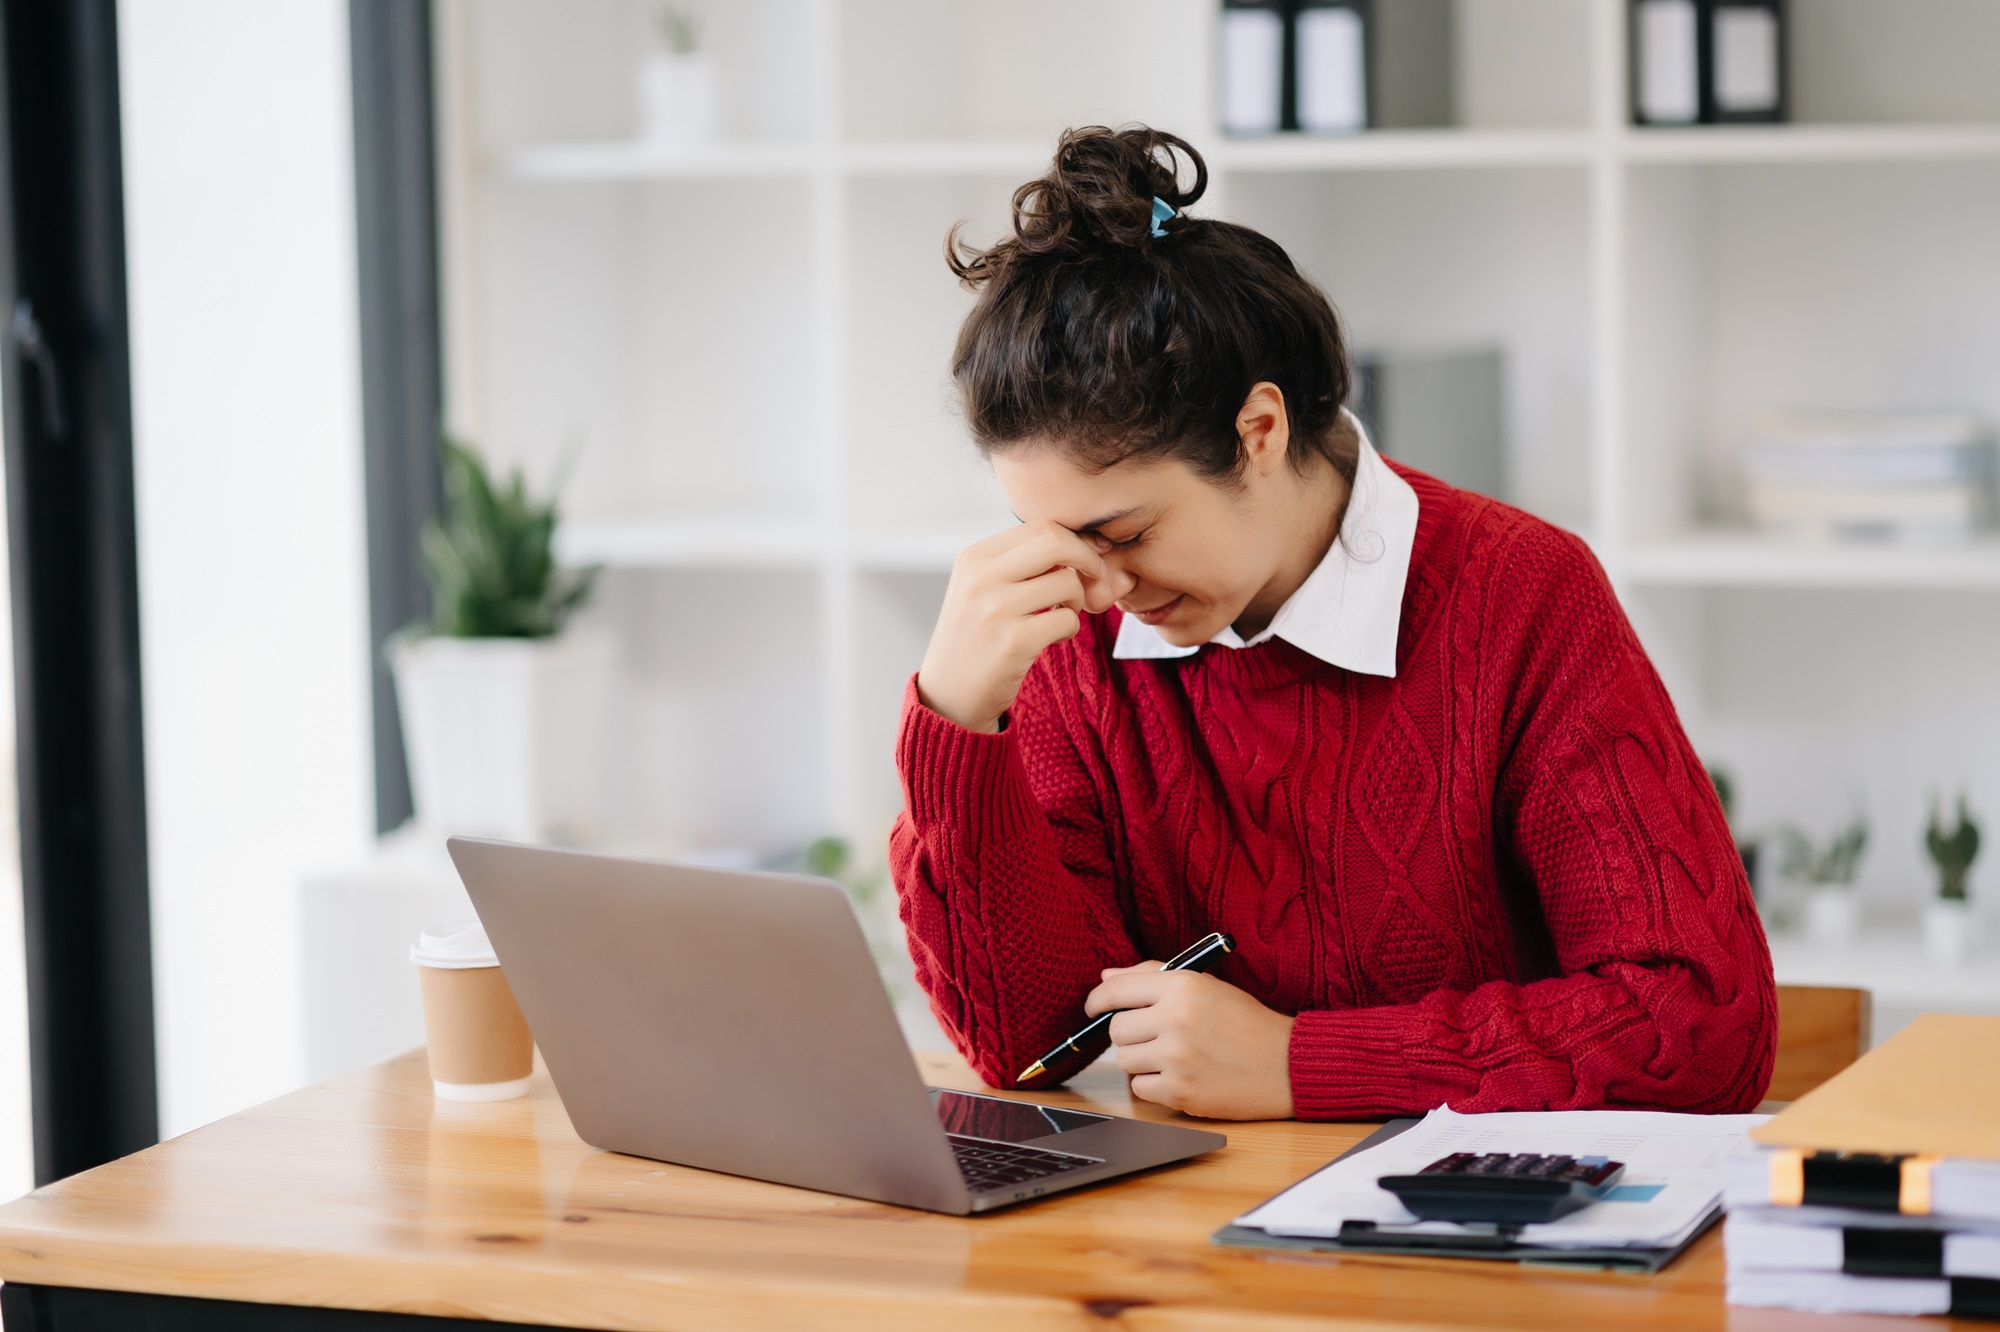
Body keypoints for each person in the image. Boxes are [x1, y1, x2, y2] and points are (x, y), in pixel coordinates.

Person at [889, 125, 1775, 1122]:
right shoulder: (1075, 631)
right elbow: (1026, 1044)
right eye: (1043, 533)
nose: (1098, 583)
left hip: (1486, 1242)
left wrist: (1301, 1063)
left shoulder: (1520, 596)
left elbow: (1698, 1028)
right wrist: (956, 723)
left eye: (1123, 530)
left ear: (1256, 432)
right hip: (1186, 1246)